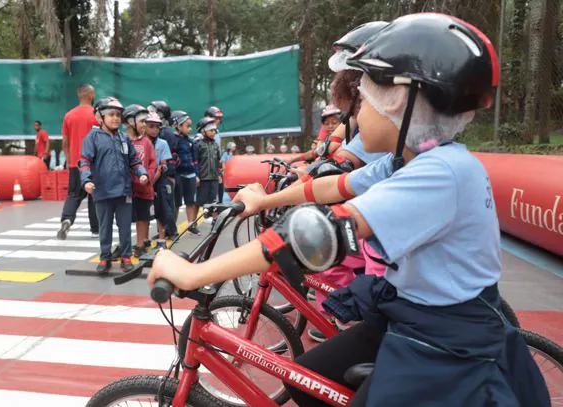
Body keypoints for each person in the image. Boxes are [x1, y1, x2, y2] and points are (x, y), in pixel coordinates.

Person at [147, 14, 549, 407]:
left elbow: (323, 231)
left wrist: (195, 272)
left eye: (366, 99)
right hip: (411, 313)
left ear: (403, 103)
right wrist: (264, 200)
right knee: (306, 382)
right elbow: (332, 186)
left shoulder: (441, 173)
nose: (355, 116)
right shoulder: (406, 161)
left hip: (444, 345)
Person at [80, 97, 148, 274]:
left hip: (124, 190)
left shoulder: (124, 138)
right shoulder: (92, 138)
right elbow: (85, 161)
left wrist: (142, 172)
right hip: (102, 191)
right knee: (105, 226)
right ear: (99, 117)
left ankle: (126, 257)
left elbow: (134, 160)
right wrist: (86, 180)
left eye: (118, 115)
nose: (116, 118)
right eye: (111, 114)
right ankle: (105, 257)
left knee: (125, 226)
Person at [57, 84, 100, 240]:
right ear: (90, 95)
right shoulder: (96, 115)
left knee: (73, 195)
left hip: (75, 163)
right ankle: (95, 230)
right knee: (94, 196)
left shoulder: (69, 115)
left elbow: (65, 142)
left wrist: (69, 161)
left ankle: (67, 219)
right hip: (93, 163)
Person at [123, 104, 157, 257]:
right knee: (125, 218)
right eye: (142, 121)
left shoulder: (147, 142)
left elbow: (152, 163)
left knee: (143, 218)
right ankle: (124, 246)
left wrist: (147, 177)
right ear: (130, 122)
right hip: (127, 189)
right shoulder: (122, 141)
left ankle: (141, 244)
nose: (144, 125)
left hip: (144, 188)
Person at [148, 101, 178, 239]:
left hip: (162, 177)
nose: (154, 129)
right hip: (148, 177)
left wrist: (164, 173)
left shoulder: (166, 136)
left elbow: (168, 160)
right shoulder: (143, 140)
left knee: (165, 208)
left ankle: (169, 231)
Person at [145, 112, 174, 250]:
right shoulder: (140, 142)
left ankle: (161, 237)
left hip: (158, 180)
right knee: (143, 212)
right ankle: (144, 240)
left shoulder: (162, 143)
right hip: (142, 180)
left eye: (157, 127)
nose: (155, 129)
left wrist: (151, 182)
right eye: (151, 126)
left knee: (161, 209)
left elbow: (163, 165)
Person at [171, 110, 201, 236]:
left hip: (190, 175)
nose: (189, 129)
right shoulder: (173, 140)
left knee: (190, 201)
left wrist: (196, 174)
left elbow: (195, 159)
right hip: (179, 174)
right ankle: (172, 228)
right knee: (176, 203)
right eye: (187, 126)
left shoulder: (190, 140)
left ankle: (191, 224)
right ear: (178, 126)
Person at [195, 117, 222, 218]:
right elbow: (195, 162)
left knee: (213, 199)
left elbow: (218, 161)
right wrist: (197, 175)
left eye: (214, 130)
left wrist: (219, 174)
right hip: (203, 178)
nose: (213, 132)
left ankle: (213, 219)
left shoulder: (215, 145)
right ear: (203, 131)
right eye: (211, 130)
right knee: (200, 200)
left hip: (214, 178)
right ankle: (193, 222)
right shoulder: (198, 145)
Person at [205, 106, 225, 203]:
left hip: (217, 167)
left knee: (219, 193)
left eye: (219, 119)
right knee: (210, 197)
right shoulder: (202, 135)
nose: (218, 121)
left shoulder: (217, 133)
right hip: (208, 170)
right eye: (216, 118)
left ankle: (216, 217)